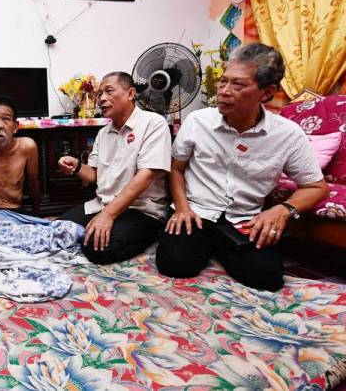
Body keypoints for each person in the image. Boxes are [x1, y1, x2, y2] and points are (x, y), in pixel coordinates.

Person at [156, 43, 328, 292]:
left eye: (238, 85)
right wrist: (182, 208)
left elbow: (315, 187)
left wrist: (282, 210)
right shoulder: (197, 122)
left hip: (244, 220)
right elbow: (176, 168)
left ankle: (221, 249)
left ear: (267, 92)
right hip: (197, 212)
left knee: (267, 278)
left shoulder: (288, 134)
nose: (224, 91)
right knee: (175, 264)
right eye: (223, 82)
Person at [57, 71, 172, 264]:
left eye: (109, 91)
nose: (101, 98)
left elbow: (145, 176)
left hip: (141, 209)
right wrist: (76, 166)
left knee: (96, 248)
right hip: (103, 204)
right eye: (99, 94)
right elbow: (93, 175)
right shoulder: (103, 133)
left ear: (131, 93)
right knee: (59, 230)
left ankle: (152, 232)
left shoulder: (154, 124)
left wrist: (108, 215)